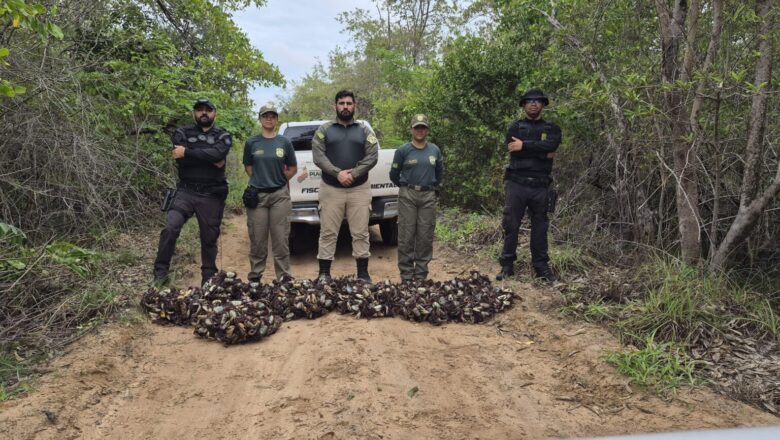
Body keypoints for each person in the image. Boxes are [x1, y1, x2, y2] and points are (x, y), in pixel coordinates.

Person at [153, 98, 232, 287]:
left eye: (208, 110)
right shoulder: (181, 133)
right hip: (185, 192)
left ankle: (208, 280)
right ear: (193, 114)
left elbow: (218, 155)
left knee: (209, 238)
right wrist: (209, 156)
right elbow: (181, 159)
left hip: (212, 194)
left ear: (215, 114)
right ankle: (160, 274)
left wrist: (188, 152)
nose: (203, 113)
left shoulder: (223, 135)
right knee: (170, 228)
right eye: (199, 110)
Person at [312, 90, 379, 283]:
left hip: (359, 188)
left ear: (354, 106)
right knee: (328, 232)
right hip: (331, 188)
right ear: (335, 106)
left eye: (349, 103)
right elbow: (318, 156)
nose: (345, 107)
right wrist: (337, 173)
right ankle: (324, 273)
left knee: (360, 232)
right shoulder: (324, 130)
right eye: (341, 103)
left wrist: (354, 173)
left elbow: (373, 155)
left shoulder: (364, 130)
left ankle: (363, 274)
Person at [496, 88, 561, 282]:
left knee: (540, 227)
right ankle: (507, 265)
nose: (533, 103)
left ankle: (541, 267)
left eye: (537, 100)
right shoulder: (515, 127)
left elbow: (552, 146)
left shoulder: (552, 128)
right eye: (529, 101)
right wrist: (541, 152)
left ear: (542, 104)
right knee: (511, 225)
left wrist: (524, 146)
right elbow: (513, 150)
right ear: (524, 105)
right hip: (516, 184)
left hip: (541, 185)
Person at [243, 103, 297, 283]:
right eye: (265, 115)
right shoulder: (252, 142)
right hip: (258, 197)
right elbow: (249, 168)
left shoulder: (284, 142)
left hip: (279, 196)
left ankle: (284, 277)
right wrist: (261, 180)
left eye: (272, 115)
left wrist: (279, 180)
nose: (269, 118)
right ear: (260, 118)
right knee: (258, 239)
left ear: (277, 119)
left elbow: (293, 168)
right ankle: (255, 276)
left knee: (280, 239)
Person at [389, 114, 443, 282]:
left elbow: (439, 174)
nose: (420, 130)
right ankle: (406, 276)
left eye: (423, 127)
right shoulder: (403, 150)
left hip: (428, 195)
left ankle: (420, 276)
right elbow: (394, 174)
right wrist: (406, 187)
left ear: (427, 130)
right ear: (411, 129)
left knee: (425, 236)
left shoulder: (434, 150)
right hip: (408, 195)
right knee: (406, 235)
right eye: (417, 127)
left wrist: (430, 187)